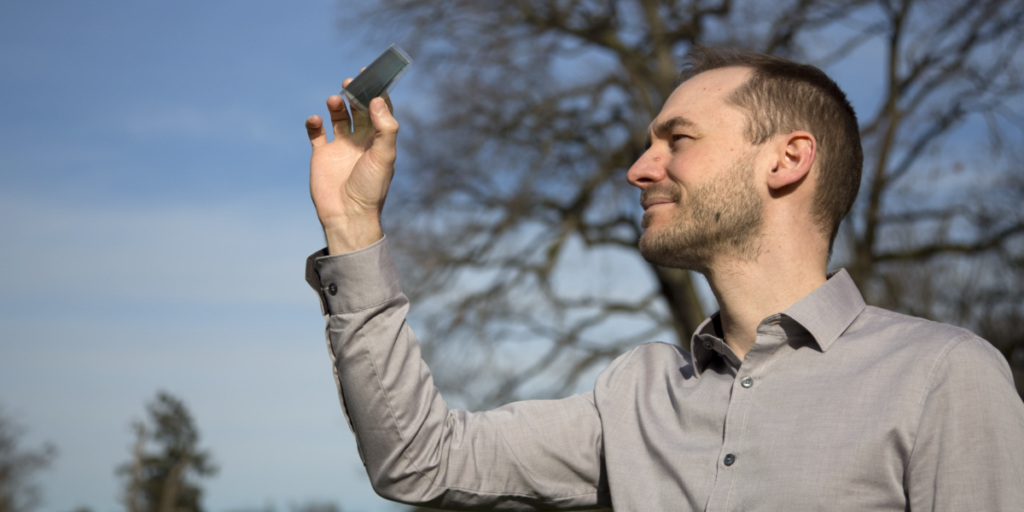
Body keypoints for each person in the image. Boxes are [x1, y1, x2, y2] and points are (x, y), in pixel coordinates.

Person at [302, 47, 1024, 511]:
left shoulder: (942, 377)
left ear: (787, 160)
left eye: (677, 140)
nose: (639, 169)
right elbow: (420, 459)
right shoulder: (633, 397)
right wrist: (353, 229)